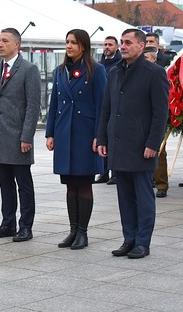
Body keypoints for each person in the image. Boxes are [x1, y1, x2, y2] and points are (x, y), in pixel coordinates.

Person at [97, 28, 169, 259]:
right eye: (122, 42)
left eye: (128, 42)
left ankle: (142, 242)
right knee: (125, 196)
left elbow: (160, 114)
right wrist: (102, 138)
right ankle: (129, 239)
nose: (124, 46)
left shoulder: (154, 72)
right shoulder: (116, 72)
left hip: (141, 147)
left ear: (140, 46)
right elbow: (106, 108)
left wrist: (153, 143)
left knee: (143, 196)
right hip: (118, 144)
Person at [46, 29, 106, 250]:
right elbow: (54, 104)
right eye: (67, 42)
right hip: (64, 134)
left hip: (84, 134)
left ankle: (83, 232)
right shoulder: (60, 71)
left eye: (73, 42)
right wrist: (50, 133)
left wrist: (99, 136)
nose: (69, 46)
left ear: (83, 46)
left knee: (84, 185)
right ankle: (72, 230)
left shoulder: (96, 70)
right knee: (70, 185)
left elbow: (102, 105)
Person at [0, 28, 41, 242]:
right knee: (5, 184)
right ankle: (7, 223)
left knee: (23, 184)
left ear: (17, 44)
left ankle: (26, 225)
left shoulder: (28, 69)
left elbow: (33, 106)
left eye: (5, 41)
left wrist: (27, 137)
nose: (0, 44)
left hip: (18, 138)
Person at [94, 35, 122, 184]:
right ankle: (103, 171)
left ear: (116, 47)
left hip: (115, 105)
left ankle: (116, 172)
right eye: (105, 44)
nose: (107, 47)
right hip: (103, 105)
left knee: (114, 139)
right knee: (103, 137)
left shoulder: (119, 65)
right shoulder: (100, 65)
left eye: (110, 45)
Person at [143, 46, 169, 198]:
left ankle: (161, 184)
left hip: (156, 121)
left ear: (153, 59)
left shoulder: (158, 73)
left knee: (160, 152)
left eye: (146, 58)